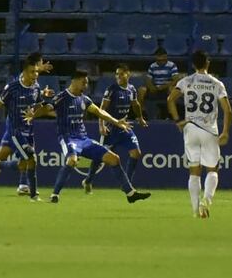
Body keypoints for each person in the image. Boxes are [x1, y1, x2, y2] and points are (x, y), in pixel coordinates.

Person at [27, 70, 151, 204]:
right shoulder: (62, 97)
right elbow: (47, 109)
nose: (86, 86)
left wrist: (116, 122)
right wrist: (34, 114)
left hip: (83, 139)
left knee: (114, 159)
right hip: (68, 138)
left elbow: (100, 112)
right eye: (84, 82)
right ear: (74, 81)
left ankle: (130, 193)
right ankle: (54, 195)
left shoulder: (84, 99)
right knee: (72, 160)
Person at [0, 53, 52, 200]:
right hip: (15, 129)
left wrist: (44, 98)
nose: (36, 72)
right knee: (29, 158)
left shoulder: (36, 86)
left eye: (37, 70)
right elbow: (0, 103)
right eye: (35, 69)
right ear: (27, 70)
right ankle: (27, 188)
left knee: (6, 157)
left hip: (27, 128)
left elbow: (37, 102)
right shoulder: (13, 87)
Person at [166, 50, 232, 218]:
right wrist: (225, 131)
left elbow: (170, 100)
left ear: (194, 65)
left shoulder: (186, 81)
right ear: (207, 63)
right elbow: (228, 110)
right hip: (209, 129)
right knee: (212, 169)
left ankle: (195, 210)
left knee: (194, 171)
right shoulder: (216, 83)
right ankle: (206, 202)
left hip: (191, 128)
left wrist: (177, 120)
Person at [82, 63, 148, 194]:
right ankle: (88, 180)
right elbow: (102, 109)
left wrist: (140, 118)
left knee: (136, 153)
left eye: (121, 74)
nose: (118, 76)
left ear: (128, 74)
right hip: (111, 127)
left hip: (124, 126)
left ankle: (127, 184)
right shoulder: (112, 89)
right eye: (116, 74)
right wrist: (101, 125)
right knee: (99, 157)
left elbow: (136, 104)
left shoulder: (131, 89)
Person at [138, 47, 179, 115]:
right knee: (141, 90)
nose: (161, 62)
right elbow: (148, 80)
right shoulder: (152, 66)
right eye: (159, 60)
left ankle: (170, 114)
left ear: (166, 57)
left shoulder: (172, 65)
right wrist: (151, 87)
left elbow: (176, 80)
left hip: (166, 89)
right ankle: (142, 113)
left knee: (172, 90)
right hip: (155, 89)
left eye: (163, 60)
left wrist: (164, 86)